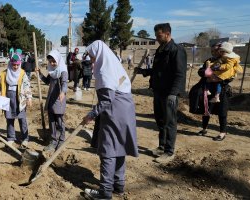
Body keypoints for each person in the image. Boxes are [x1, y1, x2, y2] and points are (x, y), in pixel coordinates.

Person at [82, 40, 139, 200]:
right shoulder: (114, 65)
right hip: (126, 110)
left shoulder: (105, 70)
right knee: (120, 148)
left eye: (92, 56)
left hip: (116, 112)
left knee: (108, 151)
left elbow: (107, 100)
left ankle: (105, 193)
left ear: (98, 54)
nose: (92, 60)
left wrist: (91, 115)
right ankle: (118, 186)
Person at [136, 23, 187, 163]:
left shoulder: (176, 50)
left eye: (159, 36)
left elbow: (180, 74)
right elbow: (158, 70)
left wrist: (174, 93)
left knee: (170, 122)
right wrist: (144, 72)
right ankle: (161, 146)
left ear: (167, 34)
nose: (157, 38)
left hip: (169, 93)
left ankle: (169, 151)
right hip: (158, 91)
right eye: (156, 36)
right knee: (160, 120)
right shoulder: (161, 49)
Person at [197, 42, 235, 141]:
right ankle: (204, 129)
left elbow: (231, 76)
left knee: (222, 112)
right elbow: (200, 71)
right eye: (212, 51)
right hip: (209, 89)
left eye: (216, 50)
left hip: (222, 90)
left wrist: (219, 79)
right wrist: (206, 74)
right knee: (206, 110)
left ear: (221, 50)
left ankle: (222, 133)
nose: (213, 52)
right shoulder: (209, 60)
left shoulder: (227, 60)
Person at [36, 49, 68, 152]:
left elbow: (64, 83)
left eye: (54, 61)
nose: (52, 63)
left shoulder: (62, 70)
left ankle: (61, 140)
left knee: (59, 121)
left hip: (59, 99)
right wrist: (40, 74)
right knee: (52, 121)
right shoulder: (51, 71)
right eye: (50, 61)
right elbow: (46, 81)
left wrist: (63, 92)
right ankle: (53, 140)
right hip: (51, 99)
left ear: (58, 60)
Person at [0, 54, 33, 148]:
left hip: (20, 98)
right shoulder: (4, 73)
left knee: (22, 119)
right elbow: (2, 87)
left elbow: (26, 85)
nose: (16, 67)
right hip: (8, 98)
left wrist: (29, 97)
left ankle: (25, 138)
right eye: (14, 65)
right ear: (11, 63)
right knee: (9, 118)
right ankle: (10, 138)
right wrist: (0, 97)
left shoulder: (22, 73)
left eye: (17, 65)